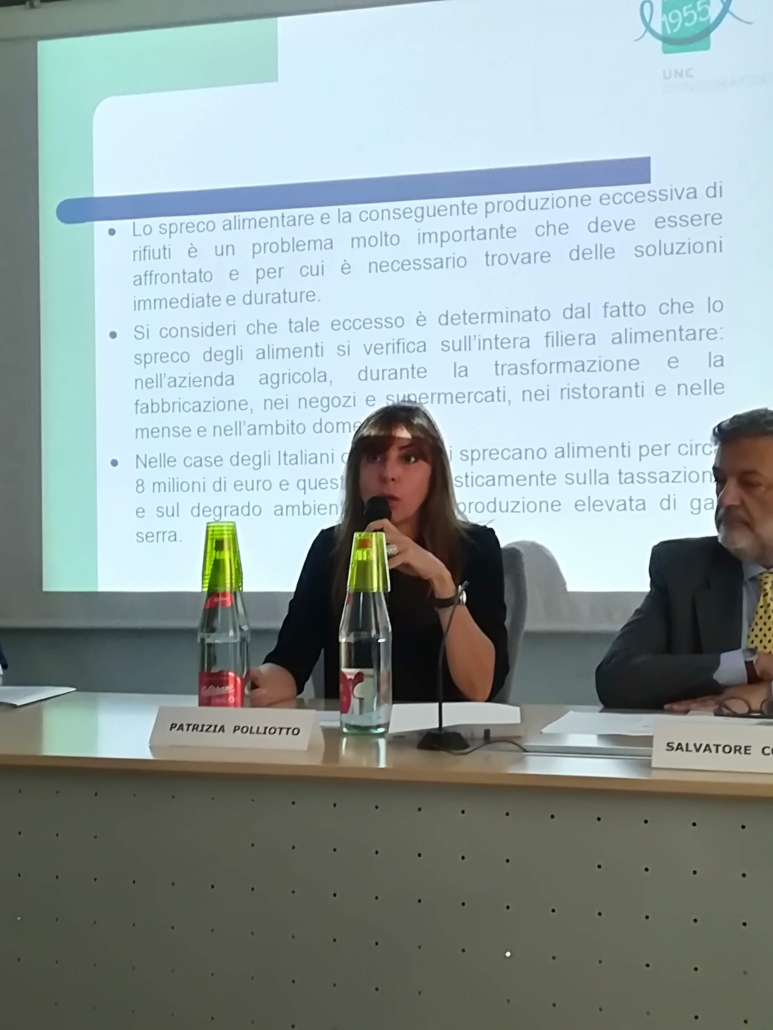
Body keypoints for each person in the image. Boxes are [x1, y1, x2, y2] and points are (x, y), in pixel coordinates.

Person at [249, 403, 509, 706]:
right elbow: (289, 665)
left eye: (408, 458)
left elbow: (479, 688)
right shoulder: (331, 548)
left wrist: (440, 579)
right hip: (357, 729)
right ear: (356, 474)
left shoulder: (476, 547)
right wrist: (258, 680)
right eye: (374, 458)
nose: (388, 474)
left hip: (446, 734)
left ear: (434, 475)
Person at [597, 408, 773, 712]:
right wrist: (749, 665)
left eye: (749, 483)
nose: (726, 499)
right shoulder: (684, 568)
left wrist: (765, 696)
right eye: (720, 480)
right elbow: (617, 678)